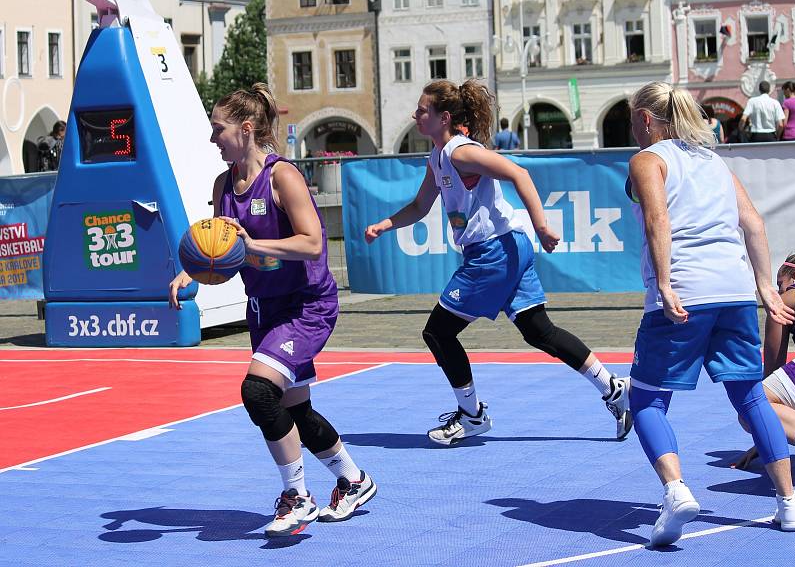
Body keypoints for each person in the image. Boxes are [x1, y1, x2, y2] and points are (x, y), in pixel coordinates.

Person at [364, 79, 632, 445]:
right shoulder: (438, 156)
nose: (415, 114)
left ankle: (472, 415)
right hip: (507, 246)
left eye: (422, 110)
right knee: (539, 331)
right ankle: (613, 388)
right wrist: (386, 224)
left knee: (438, 332)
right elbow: (419, 206)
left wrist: (542, 225)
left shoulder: (460, 152)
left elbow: (518, 173)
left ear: (443, 118)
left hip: (493, 252)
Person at [169, 83, 375, 537]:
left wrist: (252, 244)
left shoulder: (283, 176)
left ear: (245, 129)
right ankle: (354, 479)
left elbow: (313, 242)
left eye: (217, 129)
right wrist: (195, 270)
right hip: (263, 308)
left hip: (307, 305)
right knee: (294, 410)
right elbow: (222, 251)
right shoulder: (223, 185)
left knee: (258, 393)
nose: (212, 139)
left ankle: (297, 496)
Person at [625, 81, 795, 547]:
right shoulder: (714, 162)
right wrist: (765, 286)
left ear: (645, 119)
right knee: (751, 398)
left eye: (630, 119)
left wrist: (664, 282)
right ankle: (788, 502)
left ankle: (676, 491)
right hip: (735, 291)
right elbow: (754, 223)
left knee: (645, 400)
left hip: (687, 291)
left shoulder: (648, 159)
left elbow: (658, 218)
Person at [733, 254, 795, 469]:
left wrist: (767, 432)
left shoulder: (787, 300)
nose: (780, 291)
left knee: (750, 405)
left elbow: (771, 373)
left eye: (781, 285)